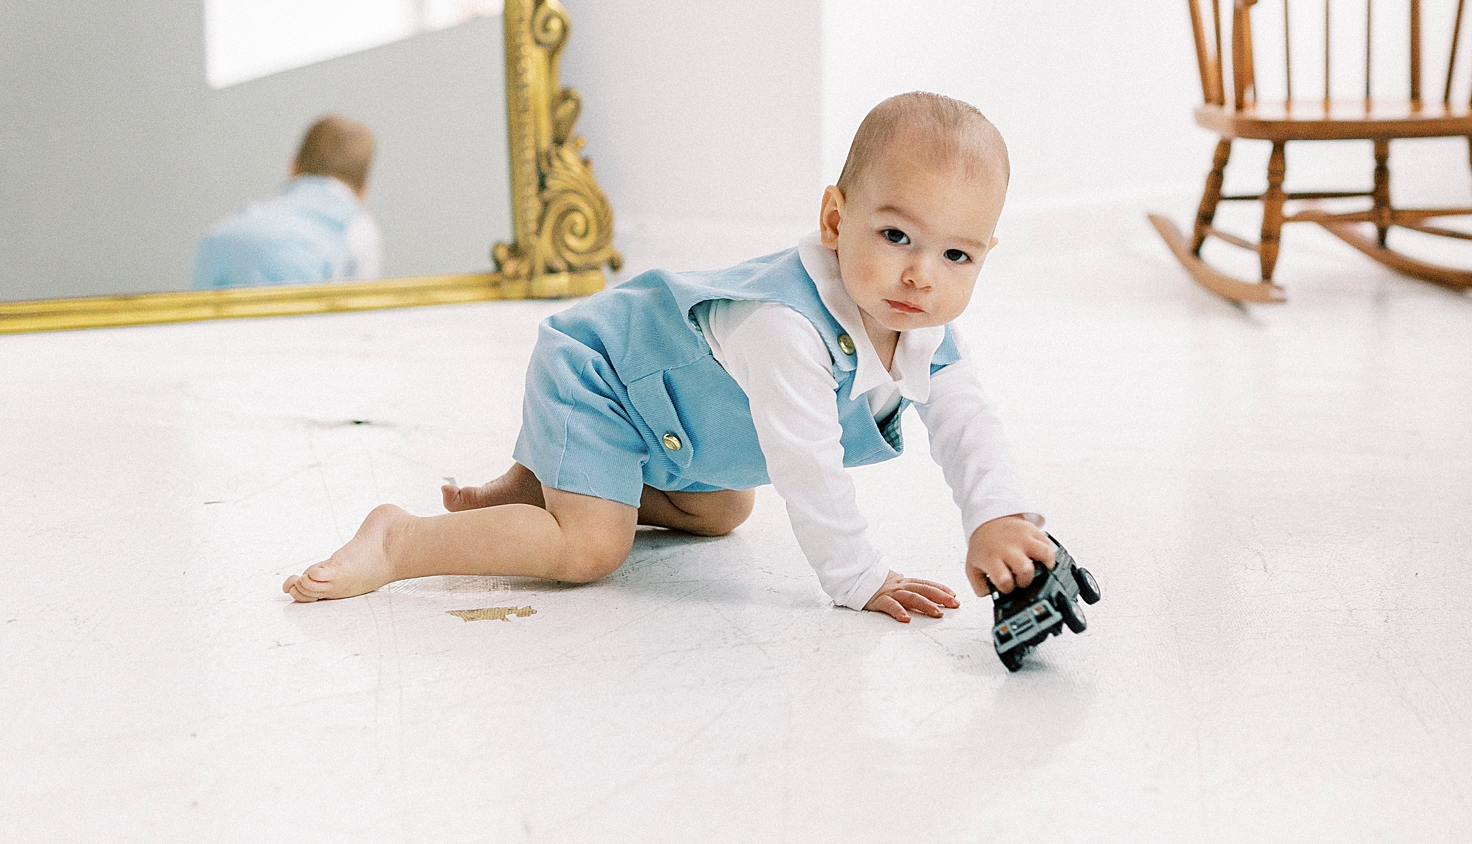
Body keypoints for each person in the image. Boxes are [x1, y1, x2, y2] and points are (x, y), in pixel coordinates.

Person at [283, 92, 1057, 623]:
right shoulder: (786, 327)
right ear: (835, 217)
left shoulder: (922, 323)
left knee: (721, 508)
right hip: (602, 374)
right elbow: (806, 462)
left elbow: (967, 422)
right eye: (897, 236)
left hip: (672, 429)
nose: (922, 273)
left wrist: (995, 518)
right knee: (591, 547)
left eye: (957, 254)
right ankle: (401, 539)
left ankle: (556, 481)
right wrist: (859, 577)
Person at [192, 116, 382, 290]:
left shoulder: (223, 232)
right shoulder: (358, 226)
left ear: (293, 166)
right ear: (363, 190)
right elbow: (361, 312)